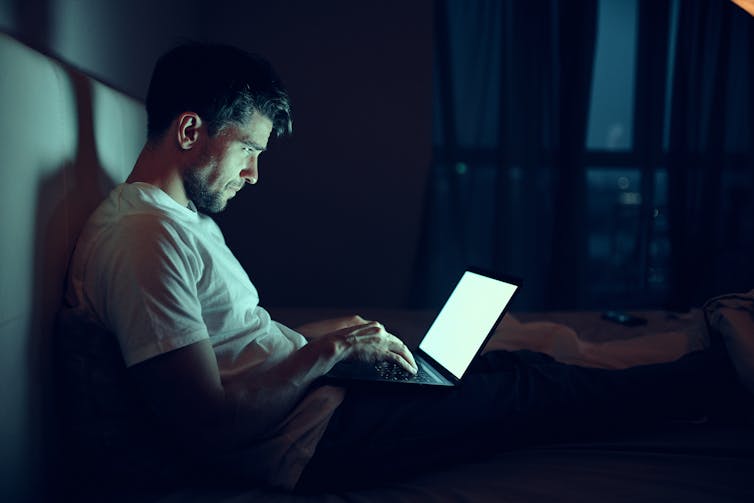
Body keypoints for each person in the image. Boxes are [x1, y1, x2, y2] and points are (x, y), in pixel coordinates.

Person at [62, 43, 749, 495]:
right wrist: (330, 352)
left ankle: (703, 364)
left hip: (324, 410)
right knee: (528, 383)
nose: (254, 173)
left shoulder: (176, 224)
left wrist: (340, 339)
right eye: (248, 149)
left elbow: (240, 348)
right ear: (189, 131)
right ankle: (717, 376)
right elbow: (207, 422)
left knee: (509, 360)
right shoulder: (142, 236)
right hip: (318, 444)